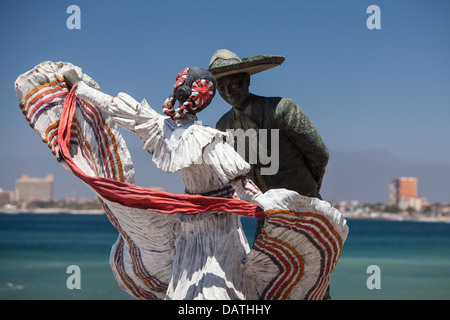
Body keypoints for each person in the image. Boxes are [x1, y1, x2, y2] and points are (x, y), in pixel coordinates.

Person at [15, 62, 348, 300]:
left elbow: (118, 108)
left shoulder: (164, 127)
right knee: (221, 282)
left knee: (190, 280)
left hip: (192, 221)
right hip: (220, 222)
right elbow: (241, 185)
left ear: (179, 92)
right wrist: (269, 206)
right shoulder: (208, 136)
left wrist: (80, 88)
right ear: (206, 98)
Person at [209, 49, 331, 298]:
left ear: (247, 80)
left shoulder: (282, 109)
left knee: (314, 283)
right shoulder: (222, 127)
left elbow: (319, 154)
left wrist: (306, 192)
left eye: (235, 83)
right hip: (266, 215)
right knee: (265, 283)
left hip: (304, 211)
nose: (230, 91)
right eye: (223, 87)